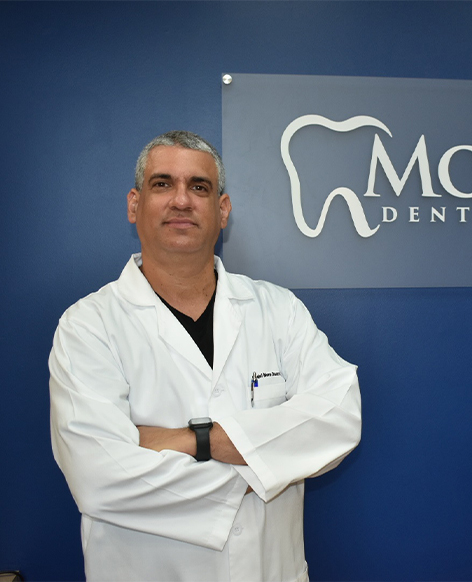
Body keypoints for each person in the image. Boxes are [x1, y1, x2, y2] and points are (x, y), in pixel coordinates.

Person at [49, 131, 362, 582]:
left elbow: (338, 416)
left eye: (199, 187)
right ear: (134, 204)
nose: (181, 200)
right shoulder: (88, 325)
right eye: (162, 184)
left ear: (223, 209)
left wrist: (194, 440)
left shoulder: (279, 310)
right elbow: (99, 477)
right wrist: (268, 462)